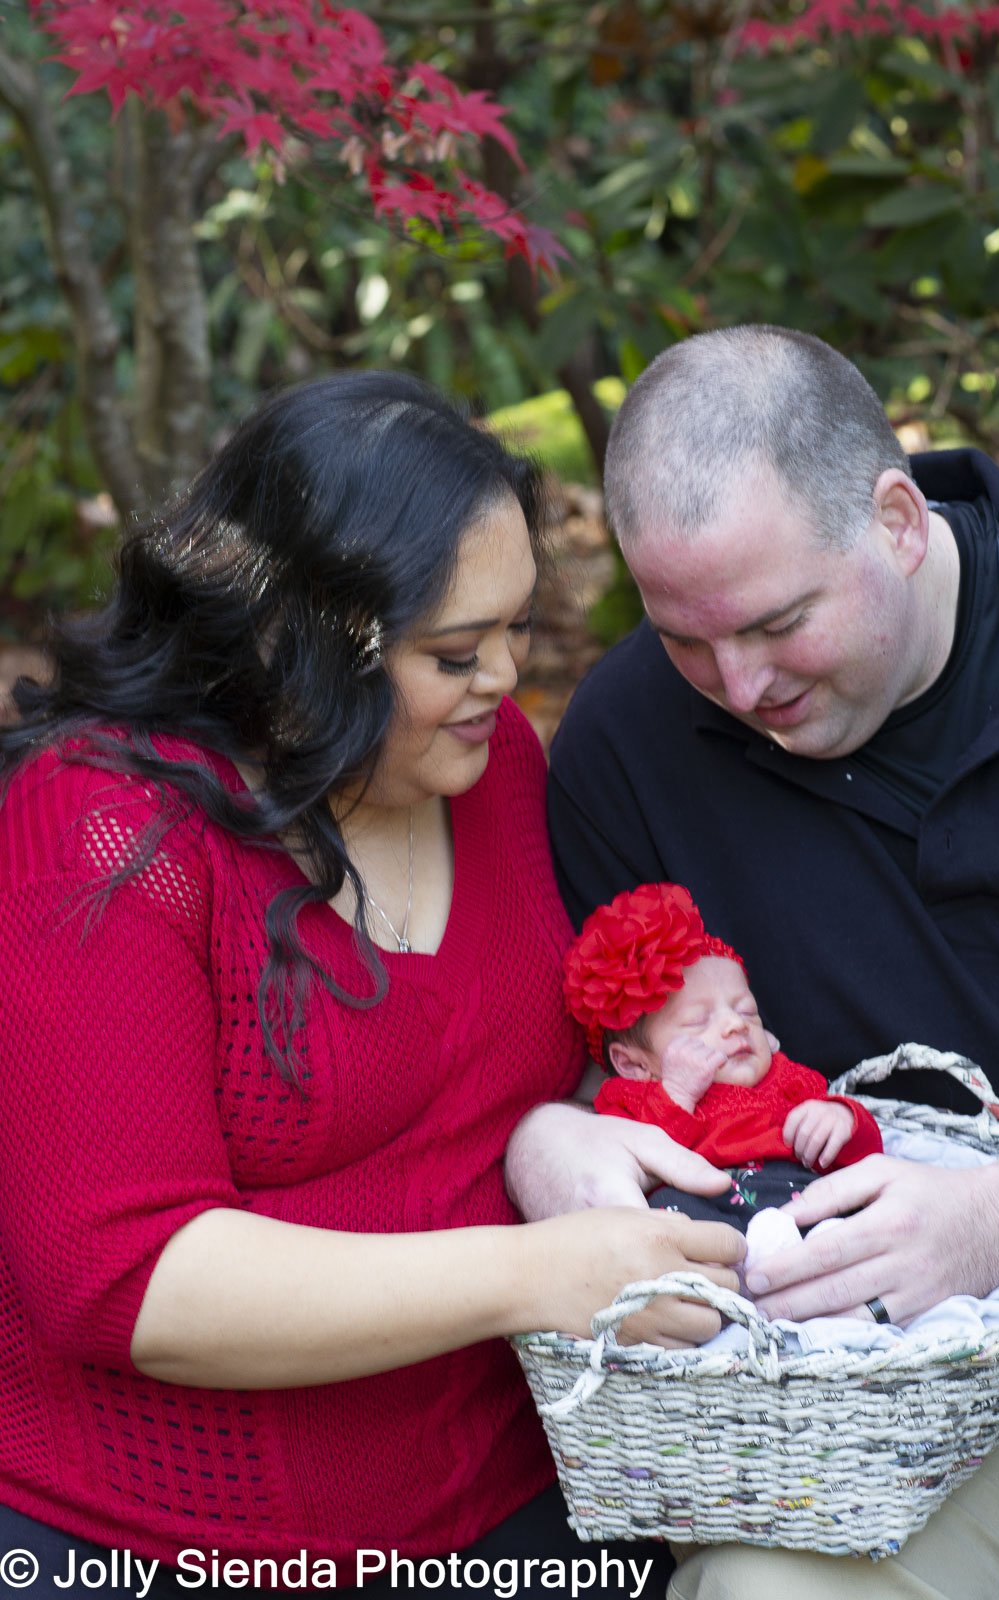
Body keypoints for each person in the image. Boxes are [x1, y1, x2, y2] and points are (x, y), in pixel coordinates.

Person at [505, 327, 999, 1600]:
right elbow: (629, 1083)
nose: (737, 683)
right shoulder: (632, 740)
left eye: (776, 622)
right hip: (904, 1424)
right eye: (685, 639)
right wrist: (553, 1137)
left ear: (897, 517)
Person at [0, 372, 746, 1600]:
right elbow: (122, 1276)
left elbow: (500, 1077)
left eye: (516, 629)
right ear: (291, 637)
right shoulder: (107, 830)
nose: (508, 676)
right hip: (158, 1540)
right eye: (457, 650)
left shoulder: (486, 759)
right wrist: (534, 1274)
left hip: (518, 1506)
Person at [563, 881, 882, 1227]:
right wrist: (678, 1094)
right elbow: (640, 1163)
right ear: (634, 1064)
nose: (735, 1024)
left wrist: (840, 1119)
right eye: (698, 1021)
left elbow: (864, 1150)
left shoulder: (784, 1077)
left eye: (747, 1011)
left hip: (799, 1201)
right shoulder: (633, 1101)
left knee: (856, 1197)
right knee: (668, 1208)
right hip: (707, 1216)